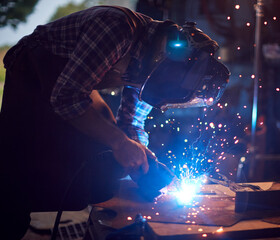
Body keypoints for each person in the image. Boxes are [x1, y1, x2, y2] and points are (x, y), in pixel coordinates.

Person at [0, 5, 229, 239]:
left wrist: (143, 159)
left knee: (106, 143)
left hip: (71, 83)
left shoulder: (152, 68)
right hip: (33, 70)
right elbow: (67, 96)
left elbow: (132, 123)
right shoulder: (117, 28)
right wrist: (120, 143)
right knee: (16, 175)